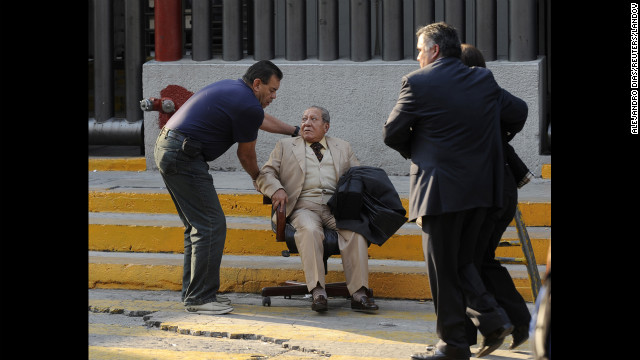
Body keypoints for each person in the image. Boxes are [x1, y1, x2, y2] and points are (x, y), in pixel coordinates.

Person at [383, 23, 528, 360]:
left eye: (420, 49)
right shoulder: (483, 79)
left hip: (440, 191)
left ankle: (454, 345)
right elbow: (518, 113)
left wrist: (422, 150)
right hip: (483, 192)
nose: (417, 55)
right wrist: (492, 140)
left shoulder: (417, 82)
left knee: (443, 270)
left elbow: (392, 133)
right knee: (463, 263)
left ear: (434, 50)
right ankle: (491, 323)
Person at [154, 60, 299, 315]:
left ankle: (195, 294)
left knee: (197, 226)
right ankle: (200, 298)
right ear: (257, 84)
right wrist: (258, 179)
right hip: (183, 155)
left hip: (169, 148)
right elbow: (246, 155)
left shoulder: (235, 90)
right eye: (272, 90)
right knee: (211, 224)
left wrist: (293, 131)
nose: (274, 96)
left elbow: (259, 119)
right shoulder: (246, 104)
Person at [256, 105, 378, 313]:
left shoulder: (343, 147)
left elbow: (358, 177)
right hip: (303, 207)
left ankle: (358, 293)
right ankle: (318, 290)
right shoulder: (285, 145)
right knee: (310, 230)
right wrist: (276, 189)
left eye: (313, 119)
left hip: (335, 208)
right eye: (304, 119)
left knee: (355, 231)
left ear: (326, 126)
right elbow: (265, 173)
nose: (306, 123)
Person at [460, 43, 532, 351]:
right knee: (480, 261)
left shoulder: (467, 95)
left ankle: (474, 334)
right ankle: (517, 321)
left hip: (483, 194)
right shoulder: (491, 98)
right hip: (502, 193)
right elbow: (519, 112)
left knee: (462, 263)